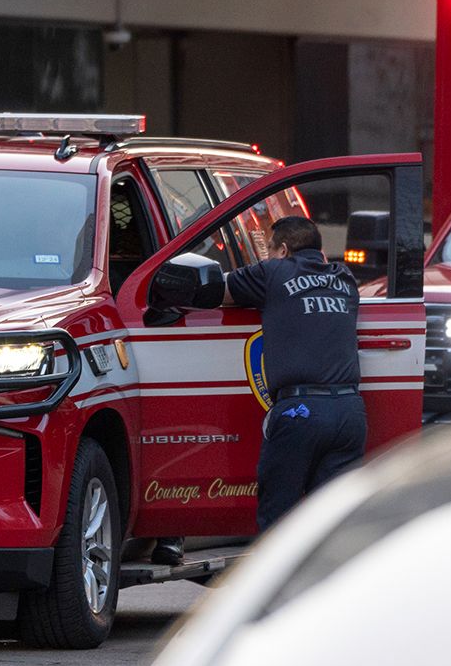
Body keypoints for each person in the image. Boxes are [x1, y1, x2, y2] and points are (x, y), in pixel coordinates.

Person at [151, 215, 365, 564]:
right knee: (335, 518)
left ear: (281, 249)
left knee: (277, 516)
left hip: (300, 411)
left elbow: (213, 292)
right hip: (350, 413)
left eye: (267, 248)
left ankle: (275, 605)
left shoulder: (272, 273)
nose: (265, 255)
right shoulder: (345, 278)